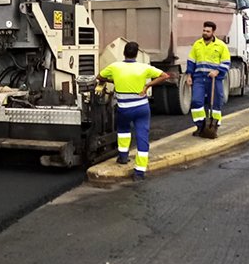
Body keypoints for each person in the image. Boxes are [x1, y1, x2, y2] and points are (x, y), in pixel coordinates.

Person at [96, 41, 170, 181]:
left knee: (123, 131)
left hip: (124, 109)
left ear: (124, 53)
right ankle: (139, 172)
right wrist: (148, 85)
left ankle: (123, 157)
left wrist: (114, 81)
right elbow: (165, 76)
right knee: (142, 136)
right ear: (136, 54)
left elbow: (99, 77)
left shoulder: (115, 67)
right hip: (142, 108)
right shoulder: (144, 67)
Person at [187, 21, 232, 137]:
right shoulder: (197, 44)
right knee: (196, 101)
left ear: (213, 32)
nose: (205, 33)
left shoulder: (221, 46)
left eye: (208, 31)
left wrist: (217, 71)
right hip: (199, 78)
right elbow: (191, 61)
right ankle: (200, 126)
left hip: (214, 79)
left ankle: (213, 127)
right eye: (204, 30)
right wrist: (189, 75)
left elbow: (226, 62)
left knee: (216, 103)